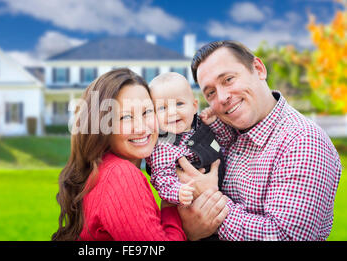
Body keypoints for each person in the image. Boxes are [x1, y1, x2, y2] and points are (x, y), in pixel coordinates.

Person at [179, 40, 342, 241]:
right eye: (211, 92)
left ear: (258, 69)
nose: (221, 97)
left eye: (228, 79)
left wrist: (210, 204)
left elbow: (285, 237)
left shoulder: (302, 141)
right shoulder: (227, 132)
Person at [51, 68, 229, 241]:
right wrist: (183, 225)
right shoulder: (120, 175)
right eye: (125, 117)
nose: (142, 127)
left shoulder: (103, 168)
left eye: (147, 112)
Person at [145, 72, 225, 206]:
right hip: (195, 203)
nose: (172, 112)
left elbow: (225, 141)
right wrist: (178, 191)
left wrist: (214, 123)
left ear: (194, 106)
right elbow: (162, 178)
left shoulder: (202, 125)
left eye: (179, 104)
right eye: (162, 108)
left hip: (225, 191)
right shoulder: (163, 146)